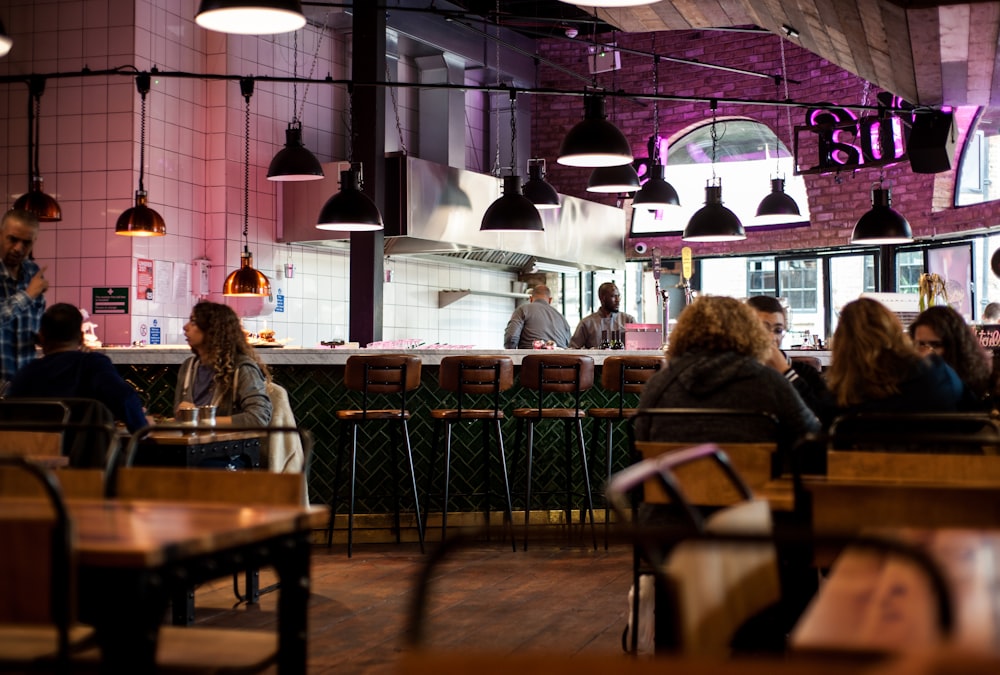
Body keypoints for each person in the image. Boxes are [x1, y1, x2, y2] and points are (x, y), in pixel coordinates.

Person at [634, 295, 820, 450]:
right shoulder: (769, 381)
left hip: (668, 492)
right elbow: (814, 436)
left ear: (683, 332)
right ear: (747, 331)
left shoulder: (658, 384)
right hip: (755, 491)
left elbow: (639, 453)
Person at [7, 303, 149, 432]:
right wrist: (142, 427)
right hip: (87, 458)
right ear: (81, 338)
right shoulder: (94, 365)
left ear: (42, 338)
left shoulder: (26, 373)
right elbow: (125, 399)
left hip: (34, 455)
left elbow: (10, 418)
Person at [827, 298, 965, 414]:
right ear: (895, 331)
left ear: (840, 344)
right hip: (936, 445)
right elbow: (971, 415)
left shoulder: (839, 400)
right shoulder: (935, 375)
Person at [174, 301, 272, 428]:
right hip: (189, 444)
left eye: (193, 321)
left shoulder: (242, 368)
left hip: (227, 445)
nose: (185, 327)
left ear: (212, 330)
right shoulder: (188, 367)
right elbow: (179, 415)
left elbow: (258, 418)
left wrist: (202, 419)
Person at [746, 295, 836, 426]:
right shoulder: (736, 372)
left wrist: (787, 372)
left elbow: (823, 419)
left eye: (778, 330)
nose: (771, 337)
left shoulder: (805, 373)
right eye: (762, 329)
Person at [0, 209, 47, 389]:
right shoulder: (33, 285)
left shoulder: (32, 272)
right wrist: (28, 295)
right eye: (12, 239)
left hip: (24, 386)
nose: (19, 248)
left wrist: (62, 339)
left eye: (26, 242)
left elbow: (34, 327)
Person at [908, 305, 991, 404]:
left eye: (936, 345)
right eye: (920, 344)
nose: (927, 352)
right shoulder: (910, 381)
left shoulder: (979, 386)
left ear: (956, 346)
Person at [569, 282, 635, 348]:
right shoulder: (587, 323)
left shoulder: (628, 320)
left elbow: (638, 347)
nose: (618, 300)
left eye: (618, 296)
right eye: (613, 296)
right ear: (602, 298)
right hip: (596, 358)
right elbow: (572, 350)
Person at [503, 285, 571, 349]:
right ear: (550, 300)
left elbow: (511, 337)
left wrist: (512, 354)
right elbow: (570, 346)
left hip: (531, 359)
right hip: (560, 359)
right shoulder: (562, 318)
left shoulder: (523, 310)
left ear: (531, 299)